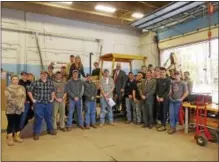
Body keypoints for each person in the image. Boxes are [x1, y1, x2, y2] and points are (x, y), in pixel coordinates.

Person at [28, 71, 57, 140]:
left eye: (45, 74)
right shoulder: (35, 82)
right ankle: (36, 133)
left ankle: (50, 130)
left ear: (47, 75)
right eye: (42, 74)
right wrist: (33, 100)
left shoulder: (50, 82)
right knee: (38, 118)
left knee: (48, 117)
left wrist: (52, 99)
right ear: (40, 75)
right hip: (39, 103)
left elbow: (53, 91)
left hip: (48, 103)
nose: (44, 75)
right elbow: (29, 91)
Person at [5, 75, 26, 146]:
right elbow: (9, 99)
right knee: (11, 123)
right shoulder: (8, 88)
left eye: (17, 79)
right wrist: (17, 105)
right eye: (14, 79)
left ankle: (16, 136)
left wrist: (21, 104)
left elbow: (24, 96)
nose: (15, 81)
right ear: (11, 80)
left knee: (17, 123)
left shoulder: (22, 87)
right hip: (10, 109)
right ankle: (9, 138)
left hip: (20, 109)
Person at [156, 67, 171, 132]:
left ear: (165, 73)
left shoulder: (168, 80)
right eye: (161, 72)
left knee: (164, 112)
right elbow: (156, 89)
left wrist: (163, 98)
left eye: (163, 72)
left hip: (165, 99)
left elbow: (168, 91)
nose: (162, 73)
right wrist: (157, 96)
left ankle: (164, 126)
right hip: (159, 98)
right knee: (160, 112)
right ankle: (162, 124)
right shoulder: (158, 80)